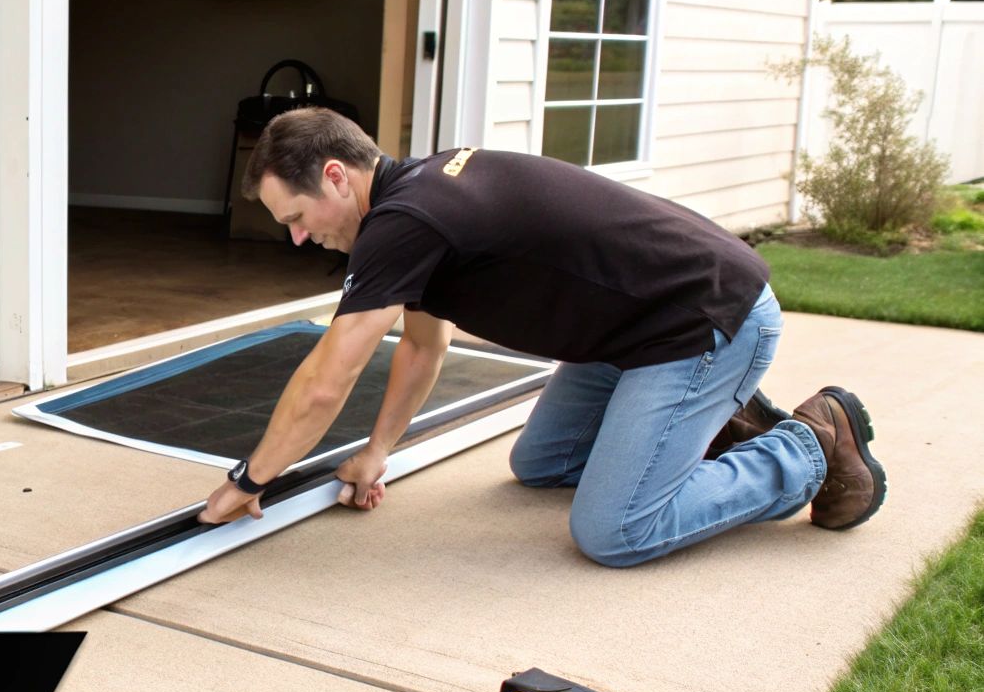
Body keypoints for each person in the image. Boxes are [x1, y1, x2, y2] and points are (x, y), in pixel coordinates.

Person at [195, 108, 885, 566]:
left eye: (296, 214)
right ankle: (708, 426)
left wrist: (248, 479)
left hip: (702, 325)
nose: (296, 234)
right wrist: (378, 450)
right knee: (542, 464)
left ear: (336, 177)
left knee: (613, 531)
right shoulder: (419, 200)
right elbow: (422, 346)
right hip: (631, 336)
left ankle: (806, 449)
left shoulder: (406, 222)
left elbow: (326, 382)